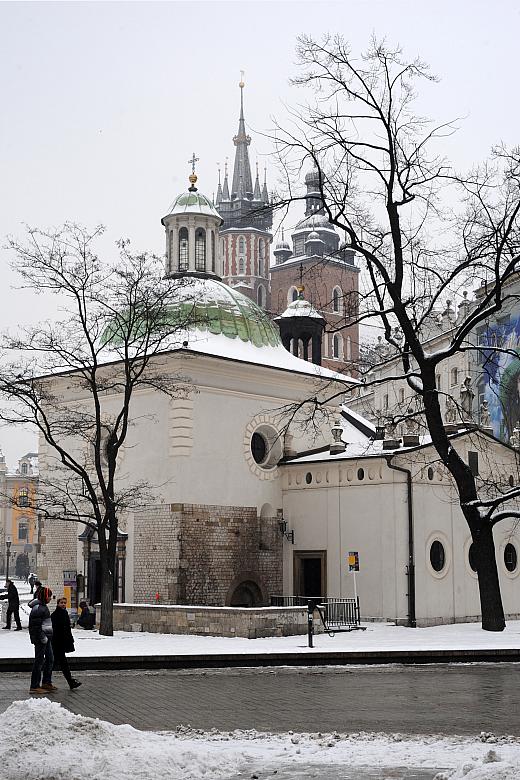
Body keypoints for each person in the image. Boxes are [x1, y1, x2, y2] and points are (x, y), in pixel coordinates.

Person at [28, 586, 57, 694]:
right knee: (39, 661)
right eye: (49, 596)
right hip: (41, 639)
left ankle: (46, 682)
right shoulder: (38, 608)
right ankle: (34, 685)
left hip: (46, 638)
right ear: (45, 596)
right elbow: (35, 626)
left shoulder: (43, 606)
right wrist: (43, 638)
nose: (50, 598)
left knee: (50, 659)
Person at [51, 597, 81, 690]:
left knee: (57, 663)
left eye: (65, 603)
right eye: (61, 603)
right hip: (57, 642)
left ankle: (70, 682)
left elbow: (67, 629)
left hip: (61, 642)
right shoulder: (55, 615)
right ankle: (70, 682)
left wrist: (70, 639)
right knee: (61, 663)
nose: (63, 604)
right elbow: (57, 630)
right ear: (58, 603)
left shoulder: (64, 613)